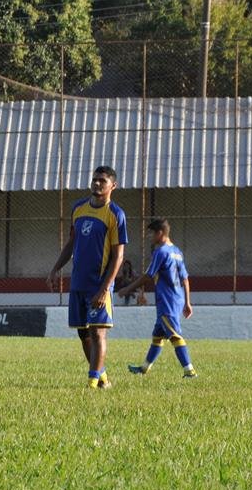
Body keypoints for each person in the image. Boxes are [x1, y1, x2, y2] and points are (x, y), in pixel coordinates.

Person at [48, 165, 128, 389]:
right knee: (83, 334)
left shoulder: (116, 215)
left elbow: (118, 256)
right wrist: (55, 268)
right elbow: (72, 242)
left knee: (98, 331)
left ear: (113, 186)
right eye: (94, 179)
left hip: (99, 285)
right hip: (78, 283)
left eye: (102, 181)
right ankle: (102, 378)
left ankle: (92, 382)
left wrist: (104, 289)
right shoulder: (78, 208)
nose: (97, 183)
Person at [116, 218, 197, 378]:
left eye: (151, 233)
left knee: (175, 336)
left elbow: (148, 275)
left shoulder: (161, 252)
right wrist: (187, 302)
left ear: (160, 233)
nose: (149, 236)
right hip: (176, 299)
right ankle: (144, 368)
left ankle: (190, 371)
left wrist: (127, 289)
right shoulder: (177, 252)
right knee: (158, 336)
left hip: (167, 302)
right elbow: (185, 279)